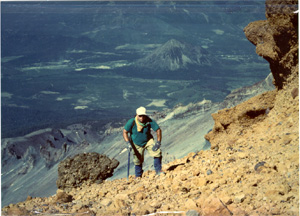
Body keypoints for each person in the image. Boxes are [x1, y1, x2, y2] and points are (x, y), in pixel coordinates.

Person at [123, 106, 163, 178]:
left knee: (157, 153)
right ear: (137, 115)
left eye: (143, 116)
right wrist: (128, 143)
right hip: (136, 143)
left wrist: (158, 142)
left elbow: (158, 130)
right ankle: (138, 176)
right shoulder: (132, 122)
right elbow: (125, 131)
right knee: (137, 160)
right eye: (140, 116)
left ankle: (158, 170)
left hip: (148, 140)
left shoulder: (148, 121)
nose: (142, 118)